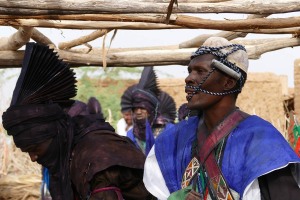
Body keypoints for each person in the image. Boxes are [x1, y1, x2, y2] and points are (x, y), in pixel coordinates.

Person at [143, 37, 300, 200]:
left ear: (228, 83)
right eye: (190, 71)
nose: (189, 78)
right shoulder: (171, 141)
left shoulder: (263, 140)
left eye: (200, 71)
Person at [2, 42, 154, 200]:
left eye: (35, 148)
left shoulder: (95, 159)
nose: (33, 157)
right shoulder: (71, 152)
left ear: (56, 134)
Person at [126, 67, 160, 155]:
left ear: (150, 109)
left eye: (142, 108)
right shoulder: (131, 134)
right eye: (135, 108)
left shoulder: (167, 131)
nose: (138, 112)